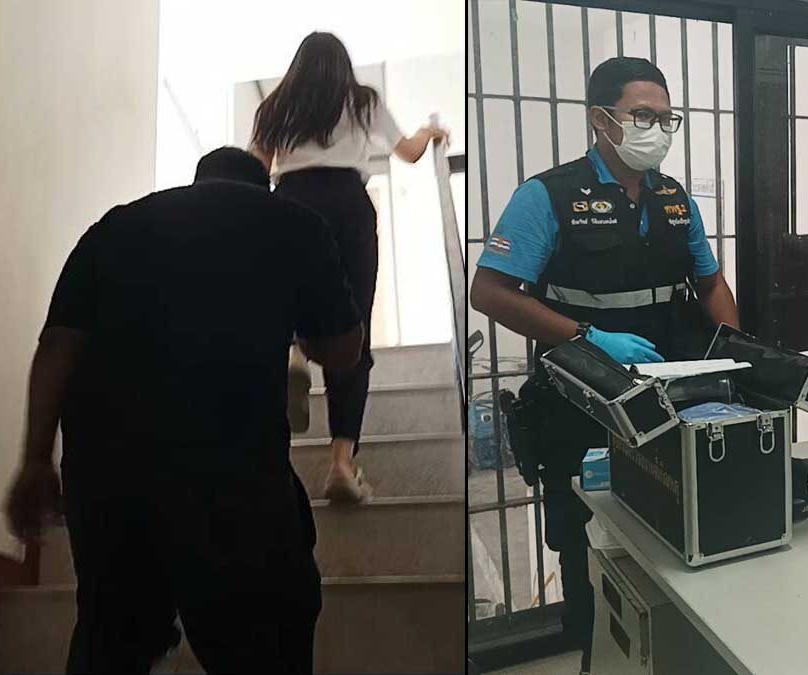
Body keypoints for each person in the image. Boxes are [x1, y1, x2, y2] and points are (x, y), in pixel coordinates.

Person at [3, 148, 364, 674]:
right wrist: (298, 328)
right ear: (262, 185)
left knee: (110, 637)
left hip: (108, 479)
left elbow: (57, 346)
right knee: (267, 634)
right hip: (231, 478)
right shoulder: (292, 224)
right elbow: (343, 351)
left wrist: (35, 461)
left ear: (196, 181)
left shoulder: (115, 226)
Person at [469, 56, 739, 673]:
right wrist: (589, 337)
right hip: (581, 404)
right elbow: (490, 292)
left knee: (673, 531)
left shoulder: (673, 199)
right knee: (587, 546)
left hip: (666, 400)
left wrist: (733, 352)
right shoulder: (548, 195)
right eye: (642, 116)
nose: (658, 130)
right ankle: (596, 654)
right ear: (601, 119)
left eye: (667, 118)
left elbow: (710, 283)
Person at [250, 31, 448, 503]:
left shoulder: (275, 107)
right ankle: (341, 464)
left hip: (290, 201)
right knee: (352, 329)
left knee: (288, 293)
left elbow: (256, 168)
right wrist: (430, 132)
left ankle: (294, 353)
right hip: (348, 204)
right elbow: (409, 152)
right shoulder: (362, 100)